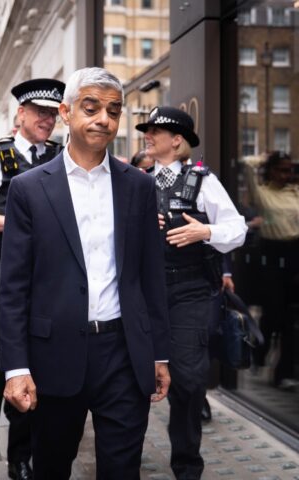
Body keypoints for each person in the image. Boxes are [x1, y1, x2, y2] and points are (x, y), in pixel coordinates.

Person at [0, 67, 171, 480]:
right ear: (66, 112)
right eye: (91, 108)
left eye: (114, 110)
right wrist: (16, 367)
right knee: (52, 466)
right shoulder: (29, 188)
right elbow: (13, 286)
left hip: (124, 354)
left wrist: (159, 353)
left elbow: (151, 276)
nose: (103, 120)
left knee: (122, 469)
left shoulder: (139, 186)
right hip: (54, 354)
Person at [0, 77, 65, 480]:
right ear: (20, 114)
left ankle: (20, 459)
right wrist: (17, 224)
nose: (47, 120)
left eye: (53, 114)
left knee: (34, 369)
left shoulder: (60, 157)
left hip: (46, 281)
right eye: (39, 112)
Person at [135, 106, 247, 479]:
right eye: (146, 131)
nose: (147, 137)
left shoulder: (203, 182)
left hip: (190, 292)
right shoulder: (137, 182)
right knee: (131, 377)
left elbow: (237, 228)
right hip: (143, 292)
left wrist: (205, 232)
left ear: (177, 139)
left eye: (155, 131)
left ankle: (186, 467)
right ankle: (125, 459)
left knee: (187, 379)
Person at [244, 151, 299, 389]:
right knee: (272, 315)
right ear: (271, 170)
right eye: (280, 169)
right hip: (271, 254)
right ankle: (258, 354)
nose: (285, 175)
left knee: (291, 320)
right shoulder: (262, 193)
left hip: (295, 253)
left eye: (289, 170)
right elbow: (246, 164)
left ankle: (283, 373)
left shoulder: (295, 192)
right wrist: (263, 159)